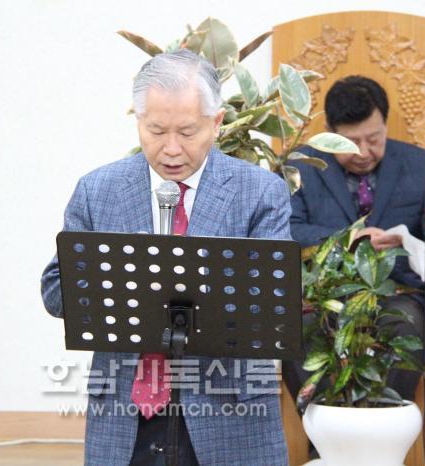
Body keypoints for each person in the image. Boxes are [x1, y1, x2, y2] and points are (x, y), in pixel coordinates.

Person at [41, 49, 292, 466]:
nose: (171, 149)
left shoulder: (260, 192)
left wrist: (190, 281)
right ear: (138, 120)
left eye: (188, 132)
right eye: (156, 130)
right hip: (125, 408)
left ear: (217, 122)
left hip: (229, 406)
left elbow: (275, 301)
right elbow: (55, 293)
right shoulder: (97, 190)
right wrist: (125, 276)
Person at [282, 75, 425, 404]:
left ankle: (382, 428)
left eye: (374, 138)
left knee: (407, 324)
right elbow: (287, 231)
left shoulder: (418, 163)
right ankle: (323, 431)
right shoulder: (301, 166)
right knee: (295, 328)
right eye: (352, 142)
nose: (364, 152)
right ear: (330, 132)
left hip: (397, 292)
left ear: (385, 125)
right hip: (324, 295)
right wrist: (348, 238)